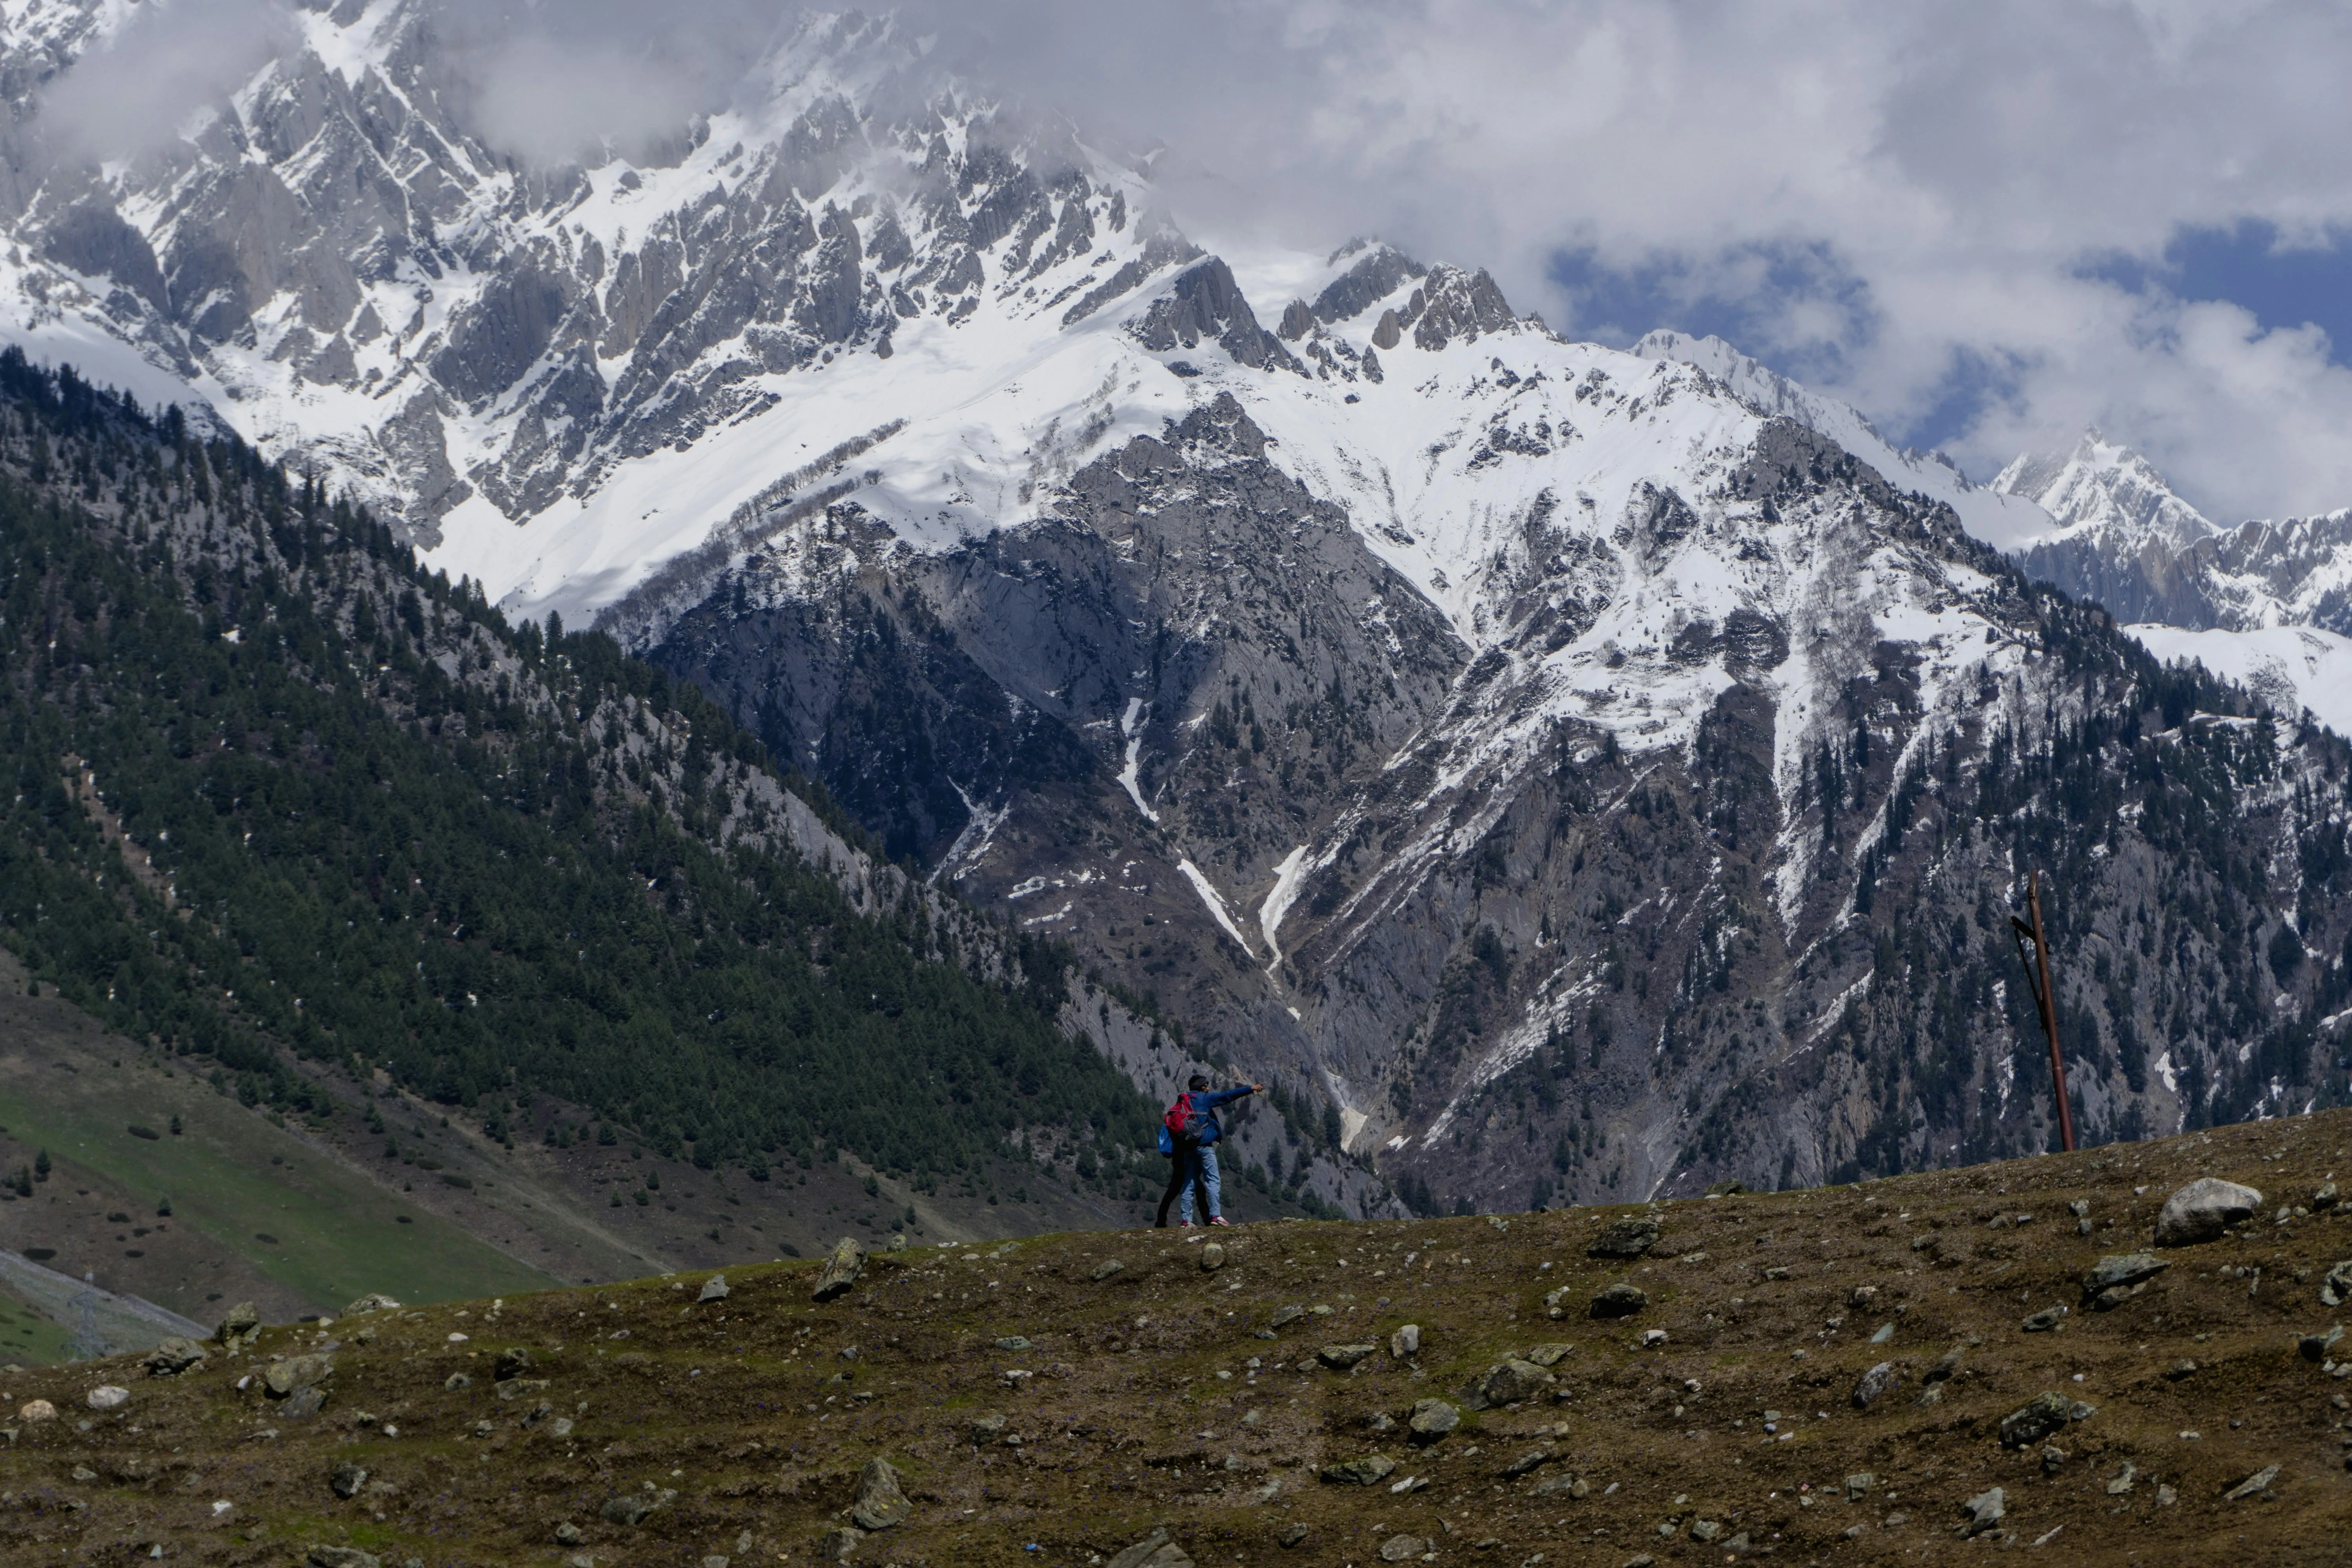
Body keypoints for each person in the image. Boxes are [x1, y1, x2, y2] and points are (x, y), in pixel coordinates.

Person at [1154, 1074, 1263, 1227]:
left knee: (1189, 1183)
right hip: (1204, 1146)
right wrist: (1250, 1089)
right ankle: (1215, 1217)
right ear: (1202, 1087)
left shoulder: (1183, 1102)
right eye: (1206, 1085)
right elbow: (1227, 1096)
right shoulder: (1203, 1098)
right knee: (1213, 1180)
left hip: (1188, 1149)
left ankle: (1186, 1221)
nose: (1209, 1088)